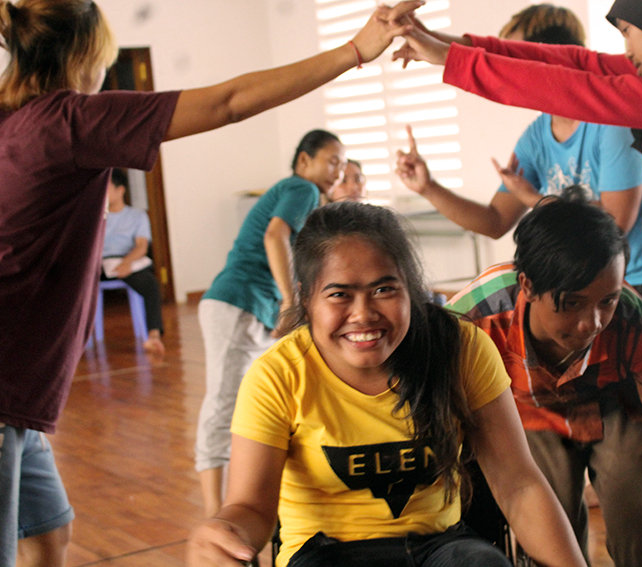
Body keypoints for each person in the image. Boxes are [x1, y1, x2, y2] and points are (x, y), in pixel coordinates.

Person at [0, 1, 422, 565]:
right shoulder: (70, 120)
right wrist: (354, 51)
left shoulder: (15, 120)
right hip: (5, 387)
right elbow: (227, 103)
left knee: (47, 537)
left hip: (18, 400)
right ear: (88, 54)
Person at [391, 1, 642, 565]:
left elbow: (582, 89)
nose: (624, 48)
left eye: (629, 30)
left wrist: (450, 59)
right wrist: (445, 43)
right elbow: (577, 64)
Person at [186, 201, 588, 567]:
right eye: (339, 294)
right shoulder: (278, 373)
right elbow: (251, 507)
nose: (363, 314)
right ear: (306, 301)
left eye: (384, 289)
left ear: (411, 291)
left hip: (441, 547)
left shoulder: (461, 348)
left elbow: (519, 485)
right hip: (325, 553)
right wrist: (225, 532)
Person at [447, 193, 642, 567]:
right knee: (547, 527)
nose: (591, 323)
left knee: (636, 519)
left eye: (606, 301)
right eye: (571, 303)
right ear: (527, 285)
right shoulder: (473, 319)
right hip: (528, 412)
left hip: (618, 411)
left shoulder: (636, 325)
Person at [395, 4, 642, 297]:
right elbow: (494, 221)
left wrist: (532, 198)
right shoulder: (536, 137)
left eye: (515, 60)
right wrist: (428, 188)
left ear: (550, 58)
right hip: (577, 286)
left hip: (633, 284)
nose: (509, 73)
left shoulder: (610, 124)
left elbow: (613, 225)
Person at [195, 128, 346, 519]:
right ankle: (216, 511)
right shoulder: (302, 189)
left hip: (247, 308)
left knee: (263, 400)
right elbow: (274, 236)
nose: (338, 170)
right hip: (237, 302)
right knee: (223, 404)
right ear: (303, 161)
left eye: (343, 165)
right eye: (332, 161)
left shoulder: (303, 195)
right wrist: (289, 300)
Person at [102, 167, 166, 355]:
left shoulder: (137, 216)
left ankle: (153, 336)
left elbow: (141, 246)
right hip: (101, 265)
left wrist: (126, 263)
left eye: (106, 188)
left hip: (128, 262)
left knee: (150, 284)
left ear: (120, 190)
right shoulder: (97, 217)